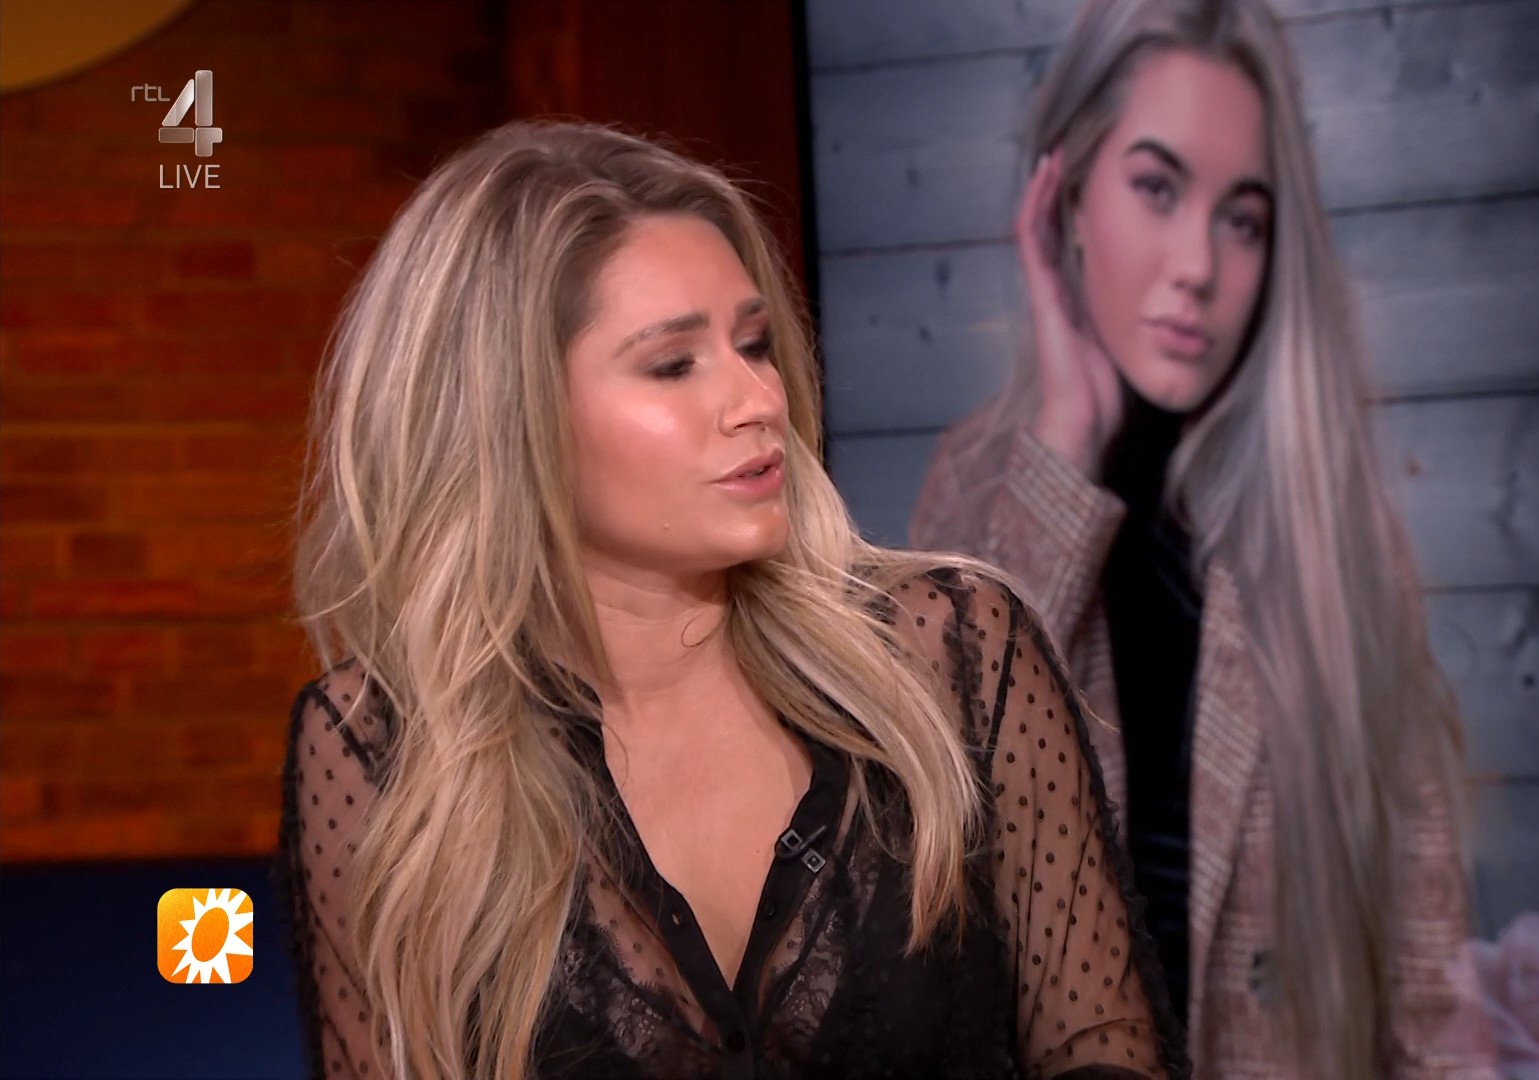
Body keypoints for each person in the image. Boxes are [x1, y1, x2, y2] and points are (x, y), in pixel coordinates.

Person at [277, 119, 1186, 1080]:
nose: (759, 399)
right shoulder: (377, 750)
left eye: (754, 344)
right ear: (508, 414)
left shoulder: (954, 653)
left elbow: (1101, 1049)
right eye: (674, 364)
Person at [910, 1, 1497, 1076]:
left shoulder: (1330, 521)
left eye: (1243, 219)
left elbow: (1431, 988)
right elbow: (933, 843)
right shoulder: (977, 486)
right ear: (1066, 195)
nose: (1198, 266)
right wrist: (1063, 448)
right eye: (1157, 187)